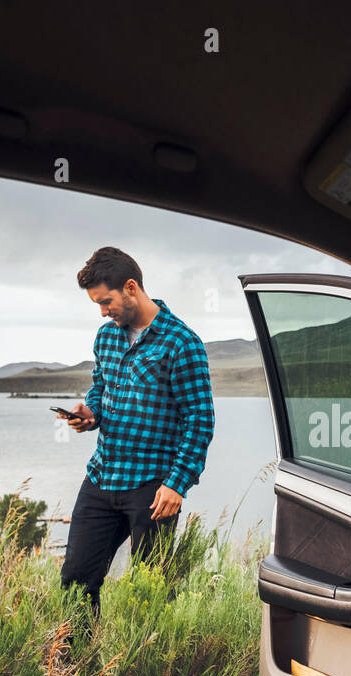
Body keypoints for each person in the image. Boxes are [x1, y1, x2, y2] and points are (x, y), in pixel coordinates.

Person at [58, 246, 215, 611]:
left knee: (148, 596)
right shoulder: (106, 337)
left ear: (131, 287)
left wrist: (178, 483)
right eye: (97, 304)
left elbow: (199, 419)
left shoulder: (182, 343)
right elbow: (102, 389)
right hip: (101, 479)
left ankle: (146, 666)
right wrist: (90, 412)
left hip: (152, 490)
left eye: (106, 301)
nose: (102, 311)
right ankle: (78, 665)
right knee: (75, 583)